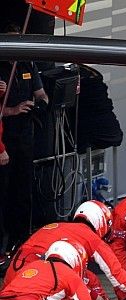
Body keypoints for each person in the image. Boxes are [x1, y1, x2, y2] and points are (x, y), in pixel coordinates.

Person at [6, 200, 126, 300]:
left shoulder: (55, 227)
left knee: (89, 281)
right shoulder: (92, 239)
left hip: (12, 280)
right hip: (39, 285)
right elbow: (121, 280)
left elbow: (81, 284)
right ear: (102, 223)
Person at [0, 25, 49, 250]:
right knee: (4, 191)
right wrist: (13, 109)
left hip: (26, 135)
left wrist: (39, 105)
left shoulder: (28, 64)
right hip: (4, 138)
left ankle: (22, 239)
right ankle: (3, 242)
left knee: (24, 188)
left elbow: (42, 94)